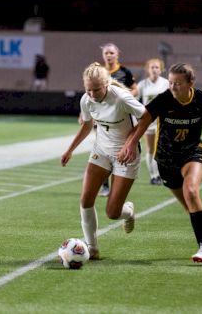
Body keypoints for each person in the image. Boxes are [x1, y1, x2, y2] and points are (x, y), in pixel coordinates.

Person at [118, 63, 202, 265]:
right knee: (191, 207)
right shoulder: (164, 99)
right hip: (166, 159)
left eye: (178, 83)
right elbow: (143, 120)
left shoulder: (201, 98)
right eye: (170, 82)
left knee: (191, 192)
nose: (173, 87)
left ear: (191, 83)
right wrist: (131, 143)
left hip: (193, 153)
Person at [61, 62, 146, 260]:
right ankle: (92, 248)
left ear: (107, 83)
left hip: (126, 155)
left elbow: (147, 118)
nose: (92, 94)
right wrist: (70, 149)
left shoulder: (121, 98)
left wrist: (130, 144)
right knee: (85, 200)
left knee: (112, 213)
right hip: (101, 150)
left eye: (97, 89)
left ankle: (128, 211)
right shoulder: (87, 100)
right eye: (88, 89)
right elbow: (87, 124)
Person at [98, 42, 138, 197]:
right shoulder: (99, 72)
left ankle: (119, 184)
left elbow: (135, 89)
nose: (109, 55)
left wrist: (126, 97)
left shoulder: (124, 72)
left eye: (111, 53)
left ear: (117, 54)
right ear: (103, 55)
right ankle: (105, 186)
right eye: (106, 53)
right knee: (103, 150)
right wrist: (84, 114)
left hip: (121, 117)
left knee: (119, 150)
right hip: (102, 117)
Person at [136, 57, 170, 185]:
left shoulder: (166, 83)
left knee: (162, 149)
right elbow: (134, 100)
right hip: (149, 121)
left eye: (157, 67)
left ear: (161, 70)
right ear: (148, 69)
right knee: (151, 149)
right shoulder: (142, 84)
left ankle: (162, 174)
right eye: (152, 67)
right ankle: (154, 176)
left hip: (163, 121)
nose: (154, 69)